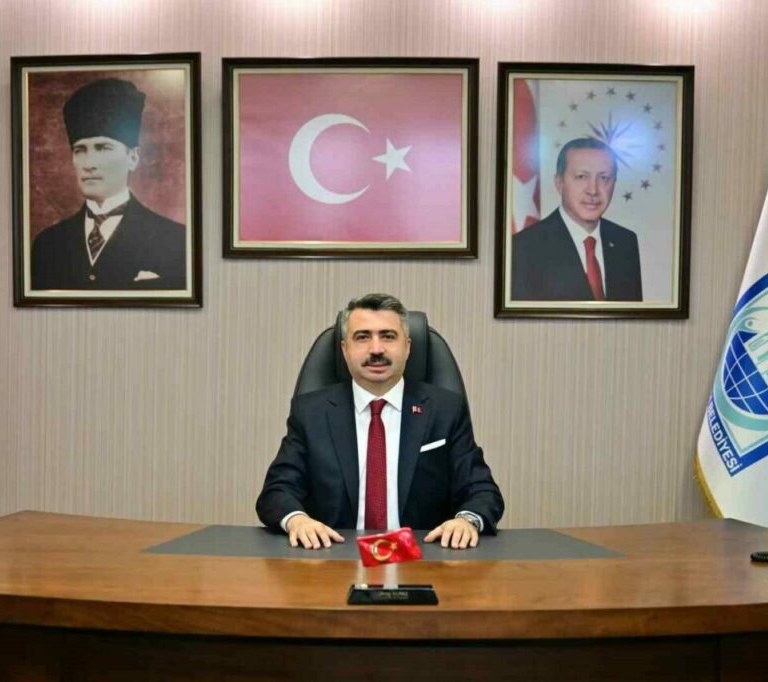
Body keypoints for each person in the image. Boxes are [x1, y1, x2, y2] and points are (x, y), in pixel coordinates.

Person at [256, 294, 504, 550]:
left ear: (407, 347)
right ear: (345, 349)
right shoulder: (311, 412)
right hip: (333, 556)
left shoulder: (445, 410)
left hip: (422, 558)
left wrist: (465, 521)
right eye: (363, 337)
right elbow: (277, 490)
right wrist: (298, 521)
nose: (376, 349)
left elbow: (482, 490)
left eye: (388, 336)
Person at [31, 78, 186, 290]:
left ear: (133, 157)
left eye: (103, 148)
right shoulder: (48, 244)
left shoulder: (175, 240)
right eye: (80, 150)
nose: (89, 164)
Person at [511, 137, 642, 301]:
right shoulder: (523, 248)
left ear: (614, 183)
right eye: (581, 177)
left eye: (604, 178)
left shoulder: (625, 241)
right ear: (559, 183)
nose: (593, 190)